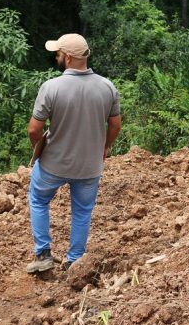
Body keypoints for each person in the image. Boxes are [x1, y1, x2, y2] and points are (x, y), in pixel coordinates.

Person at [25, 33, 121, 273]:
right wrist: (104, 147)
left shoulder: (51, 87)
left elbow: (34, 129)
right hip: (89, 166)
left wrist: (40, 148)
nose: (56, 57)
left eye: (57, 53)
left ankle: (43, 254)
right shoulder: (107, 87)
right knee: (82, 212)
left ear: (67, 58)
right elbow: (116, 125)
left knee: (38, 199)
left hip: (54, 164)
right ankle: (75, 260)